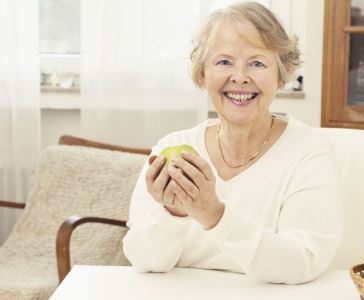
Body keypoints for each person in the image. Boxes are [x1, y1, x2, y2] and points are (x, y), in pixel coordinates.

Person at [122, 2, 343, 285]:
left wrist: (214, 214)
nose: (239, 77)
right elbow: (143, 261)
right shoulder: (173, 146)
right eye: (224, 61)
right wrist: (172, 211)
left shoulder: (309, 152)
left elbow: (301, 263)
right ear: (203, 74)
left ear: (282, 75)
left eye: (257, 63)